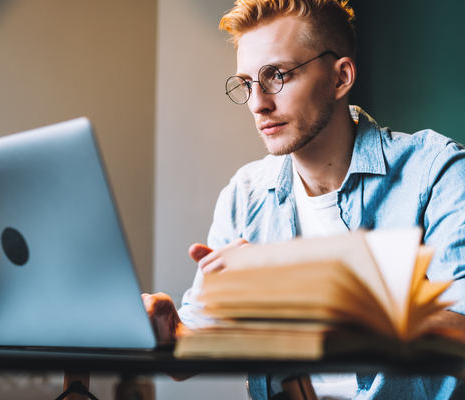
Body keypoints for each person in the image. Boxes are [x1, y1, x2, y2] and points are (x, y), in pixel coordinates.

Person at [142, 0, 465, 398]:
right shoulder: (245, 194)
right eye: (247, 83)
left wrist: (313, 297)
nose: (258, 103)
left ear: (340, 78)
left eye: (276, 76)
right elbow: (194, 350)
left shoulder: (434, 171)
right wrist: (170, 333)